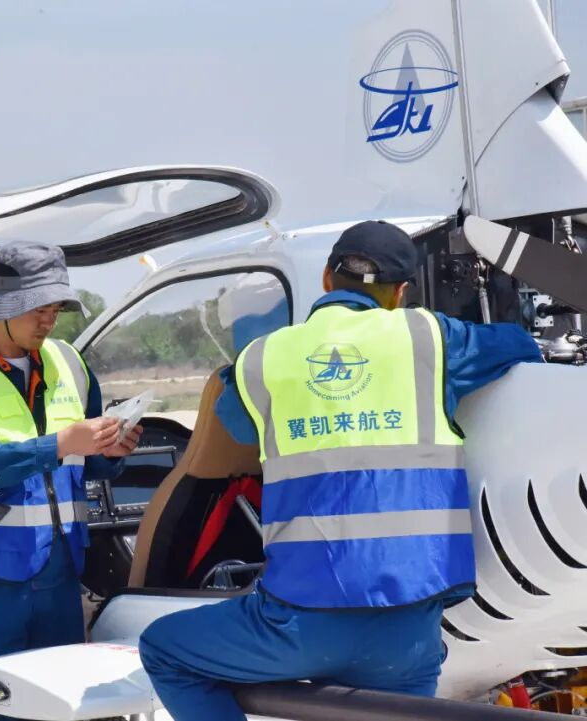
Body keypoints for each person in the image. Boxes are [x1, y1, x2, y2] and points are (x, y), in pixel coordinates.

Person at [138, 220, 543, 721]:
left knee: (164, 649)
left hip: (298, 626)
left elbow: (238, 427)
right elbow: (519, 346)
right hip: (407, 634)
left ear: (327, 278)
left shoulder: (260, 359)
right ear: (401, 292)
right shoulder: (429, 338)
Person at [0, 240, 142, 721]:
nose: (49, 321)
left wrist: (110, 452)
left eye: (55, 309)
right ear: (2, 306)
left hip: (60, 570)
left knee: (61, 705)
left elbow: (84, 465)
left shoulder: (70, 364)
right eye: (38, 308)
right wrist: (60, 443)